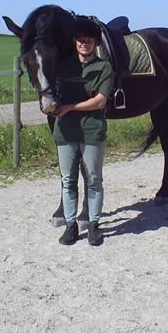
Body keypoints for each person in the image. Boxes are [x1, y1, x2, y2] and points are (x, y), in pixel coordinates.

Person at [52, 18, 114, 246]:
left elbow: (100, 101)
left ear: (95, 42)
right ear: (75, 41)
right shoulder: (63, 67)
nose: (83, 43)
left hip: (92, 132)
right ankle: (71, 225)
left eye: (88, 39)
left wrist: (69, 107)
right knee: (67, 180)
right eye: (79, 39)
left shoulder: (104, 67)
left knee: (94, 180)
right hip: (65, 133)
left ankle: (94, 225)